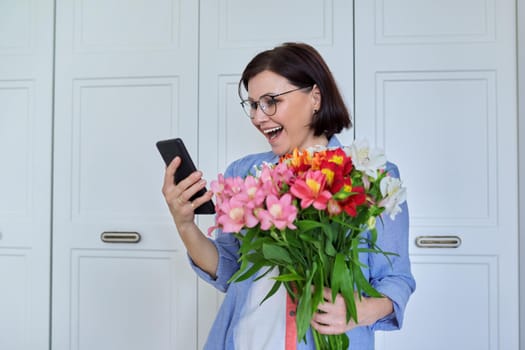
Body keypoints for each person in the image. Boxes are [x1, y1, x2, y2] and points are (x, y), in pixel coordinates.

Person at [162, 42, 416, 350]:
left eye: (270, 101)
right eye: (253, 105)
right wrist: (185, 224)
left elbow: (396, 280)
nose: (258, 116)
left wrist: (357, 311)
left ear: (315, 97)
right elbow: (229, 270)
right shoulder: (243, 173)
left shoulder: (372, 177)